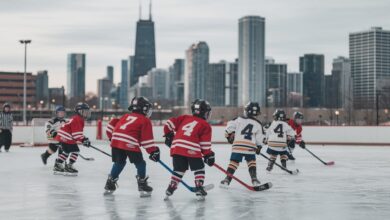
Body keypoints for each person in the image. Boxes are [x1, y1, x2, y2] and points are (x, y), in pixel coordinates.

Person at [104, 97, 160, 197]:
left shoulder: (126, 116)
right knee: (140, 163)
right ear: (143, 108)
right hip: (129, 142)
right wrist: (153, 151)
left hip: (116, 140)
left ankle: (110, 183)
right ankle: (142, 183)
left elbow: (111, 125)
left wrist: (112, 138)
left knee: (119, 162)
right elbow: (146, 140)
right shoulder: (145, 120)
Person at [163, 99, 215, 200]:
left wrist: (169, 135)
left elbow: (169, 123)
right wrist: (208, 155)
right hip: (192, 148)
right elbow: (205, 145)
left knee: (179, 169)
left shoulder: (185, 117)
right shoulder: (205, 125)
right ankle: (199, 187)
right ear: (205, 112)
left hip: (176, 147)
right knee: (199, 168)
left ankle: (171, 188)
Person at [220, 102, 265, 187]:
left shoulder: (238, 119)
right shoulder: (258, 124)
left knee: (233, 163)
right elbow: (260, 138)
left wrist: (229, 136)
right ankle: (254, 179)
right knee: (251, 162)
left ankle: (227, 179)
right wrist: (259, 147)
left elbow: (229, 128)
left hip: (238, 145)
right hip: (250, 146)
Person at [54, 102, 91, 175]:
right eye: (84, 111)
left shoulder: (77, 118)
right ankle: (68, 166)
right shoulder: (78, 119)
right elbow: (76, 135)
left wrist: (84, 139)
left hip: (64, 137)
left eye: (87, 112)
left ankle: (58, 164)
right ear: (79, 112)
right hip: (66, 137)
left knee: (66, 152)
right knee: (75, 151)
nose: (86, 113)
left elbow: (76, 134)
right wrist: (84, 140)